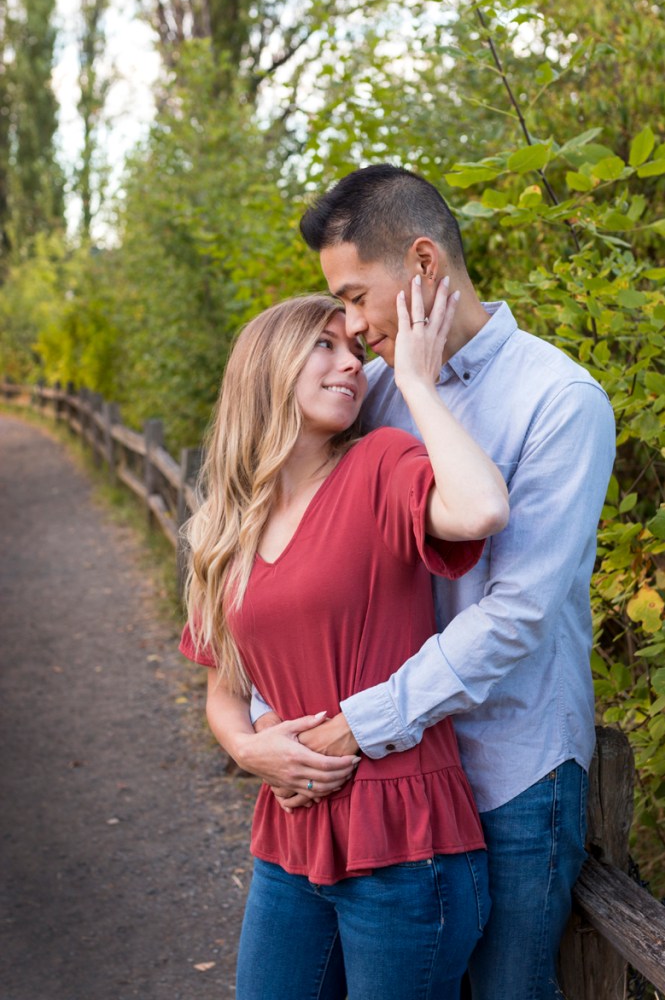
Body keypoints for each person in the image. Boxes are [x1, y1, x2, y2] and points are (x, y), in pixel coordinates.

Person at [245, 165, 617, 1000]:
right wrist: (263, 722)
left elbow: (516, 616)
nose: (348, 324)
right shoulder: (367, 394)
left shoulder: (558, 401)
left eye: (353, 296)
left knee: (506, 992)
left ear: (421, 265)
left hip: (507, 767)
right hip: (387, 784)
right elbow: (294, 554)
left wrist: (358, 725)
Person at [179, 291, 509, 1000]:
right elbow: (223, 690)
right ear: (266, 368)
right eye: (324, 346)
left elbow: (481, 507)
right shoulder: (226, 525)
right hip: (288, 835)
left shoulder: (377, 464)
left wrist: (415, 381)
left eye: (356, 351)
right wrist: (245, 748)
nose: (351, 364)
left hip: (404, 841)